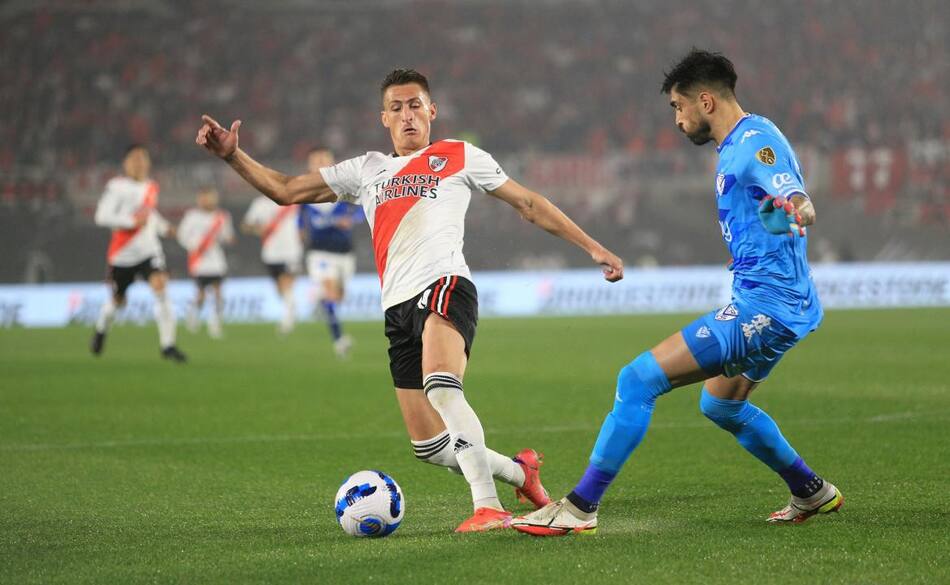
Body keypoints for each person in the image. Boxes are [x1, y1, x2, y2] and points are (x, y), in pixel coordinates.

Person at [196, 68, 624, 533]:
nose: (407, 116)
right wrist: (233, 156)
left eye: (415, 105)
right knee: (430, 445)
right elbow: (284, 190)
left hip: (445, 286)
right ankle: (520, 473)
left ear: (432, 111)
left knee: (442, 388)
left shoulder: (458, 156)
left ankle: (490, 506)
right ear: (384, 118)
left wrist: (594, 248)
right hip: (397, 308)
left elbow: (528, 203)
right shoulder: (366, 169)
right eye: (397, 108)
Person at [512, 49, 842, 537]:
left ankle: (580, 507)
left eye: (677, 106)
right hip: (789, 302)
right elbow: (771, 208)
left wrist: (796, 204)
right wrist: (780, 215)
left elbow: (789, 191)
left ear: (704, 100)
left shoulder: (752, 143)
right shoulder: (745, 138)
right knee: (721, 405)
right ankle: (811, 490)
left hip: (766, 306)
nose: (677, 118)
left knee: (638, 379)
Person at [90, 144, 187, 362]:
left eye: (143, 157)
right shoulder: (116, 187)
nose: (139, 162)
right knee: (118, 301)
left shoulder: (151, 186)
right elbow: (101, 216)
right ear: (125, 163)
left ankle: (168, 345)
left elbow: (149, 215)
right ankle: (101, 329)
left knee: (161, 286)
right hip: (122, 255)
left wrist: (164, 228)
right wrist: (131, 222)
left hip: (149, 251)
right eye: (134, 158)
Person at [298, 147, 364, 357]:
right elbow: (300, 217)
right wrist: (300, 233)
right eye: (316, 160)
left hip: (344, 252)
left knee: (338, 296)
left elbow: (364, 209)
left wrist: (351, 220)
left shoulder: (344, 187)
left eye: (324, 159)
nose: (320, 163)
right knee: (331, 292)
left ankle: (320, 302)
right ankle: (339, 340)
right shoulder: (303, 189)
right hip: (319, 252)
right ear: (309, 164)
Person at [241, 188, 303, 335]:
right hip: (271, 253)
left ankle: (287, 322)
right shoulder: (259, 204)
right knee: (279, 289)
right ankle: (291, 308)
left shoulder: (291, 198)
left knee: (286, 282)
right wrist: (257, 229)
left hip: (291, 251)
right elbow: (246, 225)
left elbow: (303, 218)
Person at [177, 187, 236, 339]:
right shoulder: (192, 216)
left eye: (210, 197)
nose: (207, 201)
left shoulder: (222, 216)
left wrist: (229, 239)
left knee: (218, 294)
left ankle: (215, 325)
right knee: (201, 296)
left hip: (216, 261)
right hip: (199, 261)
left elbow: (227, 236)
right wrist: (194, 246)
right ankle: (192, 316)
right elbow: (182, 235)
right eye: (204, 198)